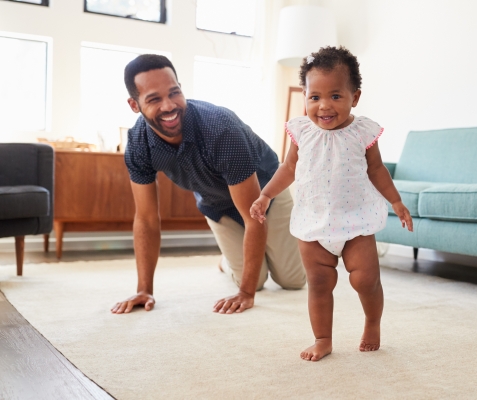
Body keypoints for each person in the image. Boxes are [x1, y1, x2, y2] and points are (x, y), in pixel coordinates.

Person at [250, 46, 413, 361]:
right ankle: (322, 338)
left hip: (356, 221)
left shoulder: (363, 131)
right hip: (313, 221)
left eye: (336, 96)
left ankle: (372, 321)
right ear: (305, 97)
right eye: (315, 97)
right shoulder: (301, 132)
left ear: (355, 96)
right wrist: (266, 194)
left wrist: (396, 201)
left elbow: (377, 170)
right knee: (319, 283)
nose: (324, 105)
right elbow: (288, 169)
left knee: (366, 279)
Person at [111, 54, 306, 315]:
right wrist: (144, 289)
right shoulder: (138, 144)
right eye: (154, 99)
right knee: (257, 281)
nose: (169, 106)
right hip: (217, 205)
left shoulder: (220, 129)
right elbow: (146, 219)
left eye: (174, 92)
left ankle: (264, 259)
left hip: (265, 195)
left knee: (292, 281)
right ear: (134, 105)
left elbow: (253, 216)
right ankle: (228, 262)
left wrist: (245, 295)